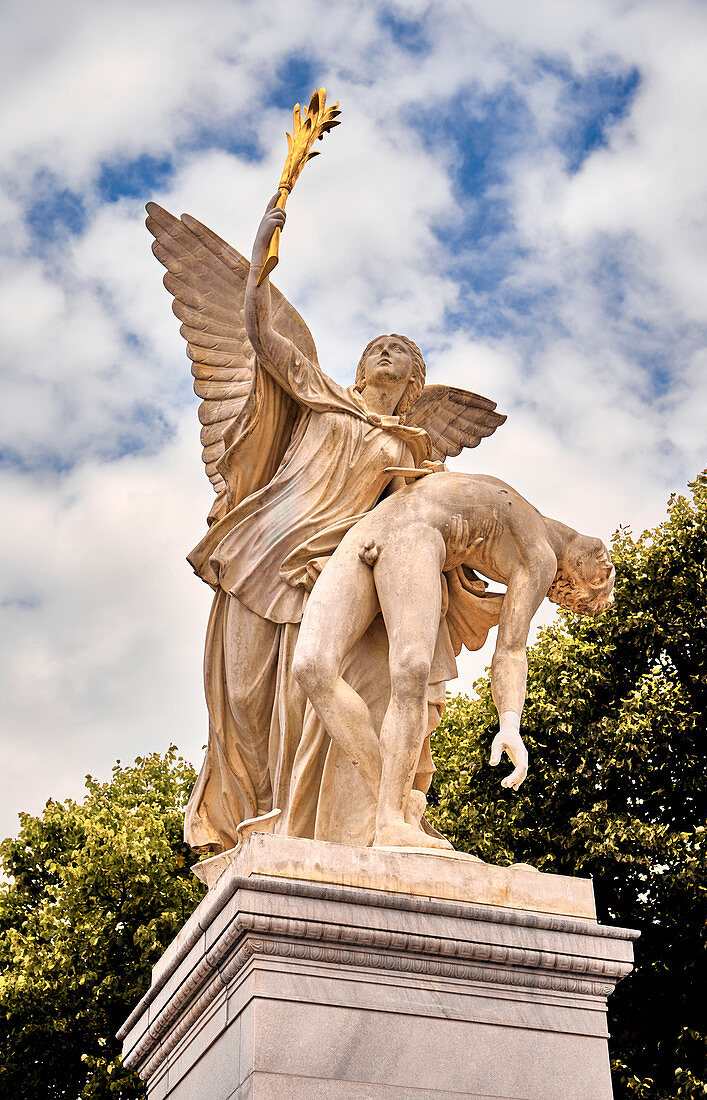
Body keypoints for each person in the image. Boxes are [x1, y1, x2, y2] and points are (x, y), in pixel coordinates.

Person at [145, 193, 507, 852]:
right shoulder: (316, 391)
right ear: (362, 364)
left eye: (400, 348)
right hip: (263, 552)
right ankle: (258, 821)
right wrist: (259, 265)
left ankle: (345, 818)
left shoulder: (411, 448)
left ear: (413, 379)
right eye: (378, 344)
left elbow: (419, 525)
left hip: (332, 574)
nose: (387, 350)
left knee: (307, 694)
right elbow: (261, 336)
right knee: (249, 701)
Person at [292, 470, 615, 850]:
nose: (605, 562)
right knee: (311, 668)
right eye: (606, 571)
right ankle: (395, 802)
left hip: (418, 537)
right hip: (372, 527)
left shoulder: (540, 559)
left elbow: (511, 650)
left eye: (603, 575)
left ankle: (391, 820)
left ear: (566, 583)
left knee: (410, 671)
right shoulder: (534, 521)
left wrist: (510, 723)